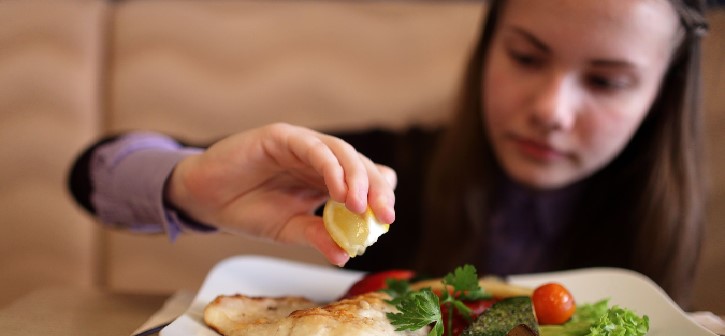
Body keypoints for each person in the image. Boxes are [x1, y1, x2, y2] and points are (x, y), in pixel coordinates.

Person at [68, 0, 709, 308]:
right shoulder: (378, 170)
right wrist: (188, 184)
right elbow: (92, 174)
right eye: (525, 56)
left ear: (660, 95)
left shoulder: (670, 224)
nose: (551, 109)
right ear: (485, 48)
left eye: (606, 82)